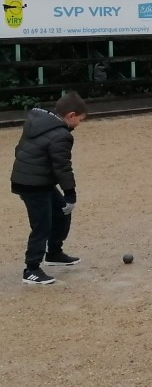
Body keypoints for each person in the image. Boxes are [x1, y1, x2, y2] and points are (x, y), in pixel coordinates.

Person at [11, 91, 87, 285]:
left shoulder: (38, 122)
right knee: (42, 224)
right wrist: (70, 194)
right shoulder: (61, 135)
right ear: (71, 115)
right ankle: (31, 269)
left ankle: (54, 253)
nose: (79, 124)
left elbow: (19, 149)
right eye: (80, 119)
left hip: (35, 180)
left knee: (61, 212)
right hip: (33, 185)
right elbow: (62, 167)